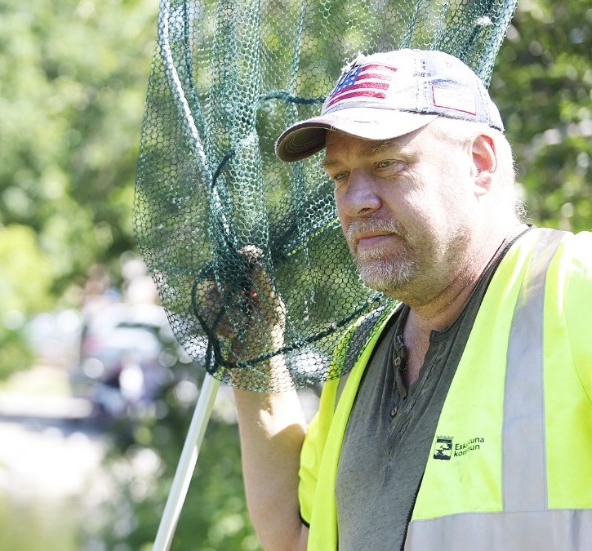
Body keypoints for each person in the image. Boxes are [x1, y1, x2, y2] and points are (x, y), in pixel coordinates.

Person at [231, 48, 592, 551]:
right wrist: (253, 353)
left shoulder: (575, 285)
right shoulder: (359, 355)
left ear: (480, 164)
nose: (356, 201)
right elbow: (297, 534)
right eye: (340, 175)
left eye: (387, 164)